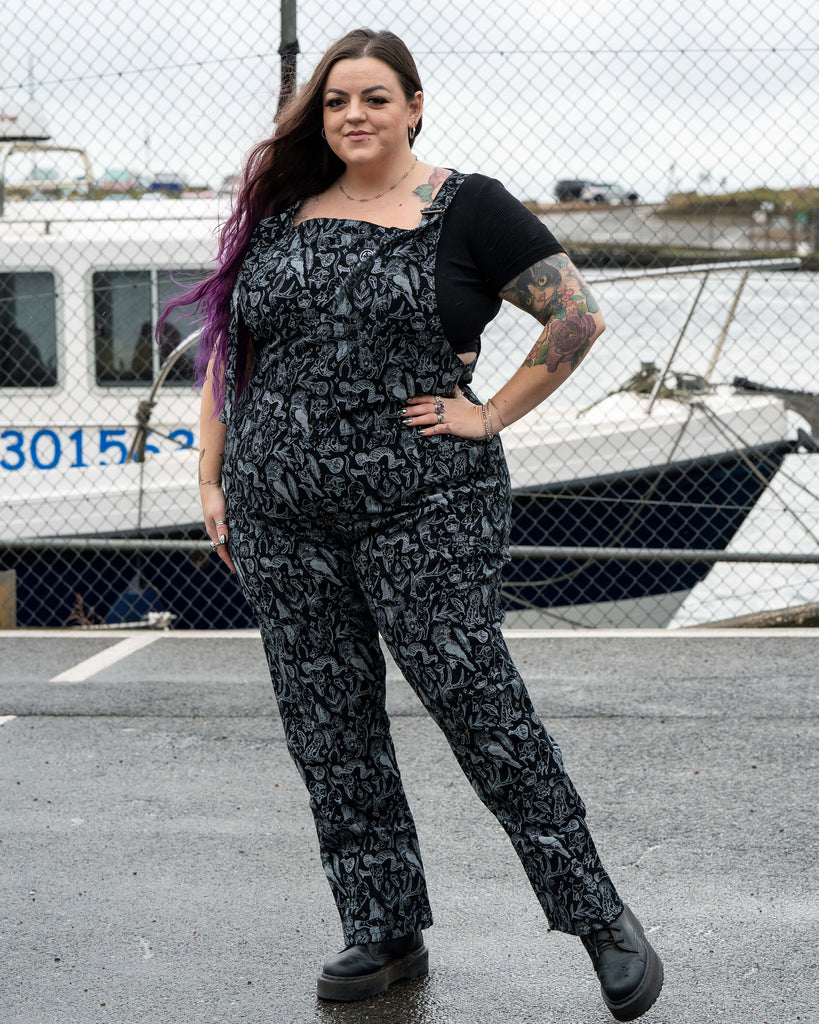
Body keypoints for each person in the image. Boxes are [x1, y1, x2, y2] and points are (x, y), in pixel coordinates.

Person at [161, 28, 664, 1022]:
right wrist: (213, 474)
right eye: (338, 100)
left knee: (482, 708)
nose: (355, 115)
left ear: (415, 105)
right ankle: (383, 929)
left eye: (376, 98)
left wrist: (488, 412)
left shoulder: (467, 206)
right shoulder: (278, 209)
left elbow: (574, 319)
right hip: (278, 513)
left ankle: (596, 913)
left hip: (426, 505)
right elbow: (232, 347)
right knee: (330, 725)